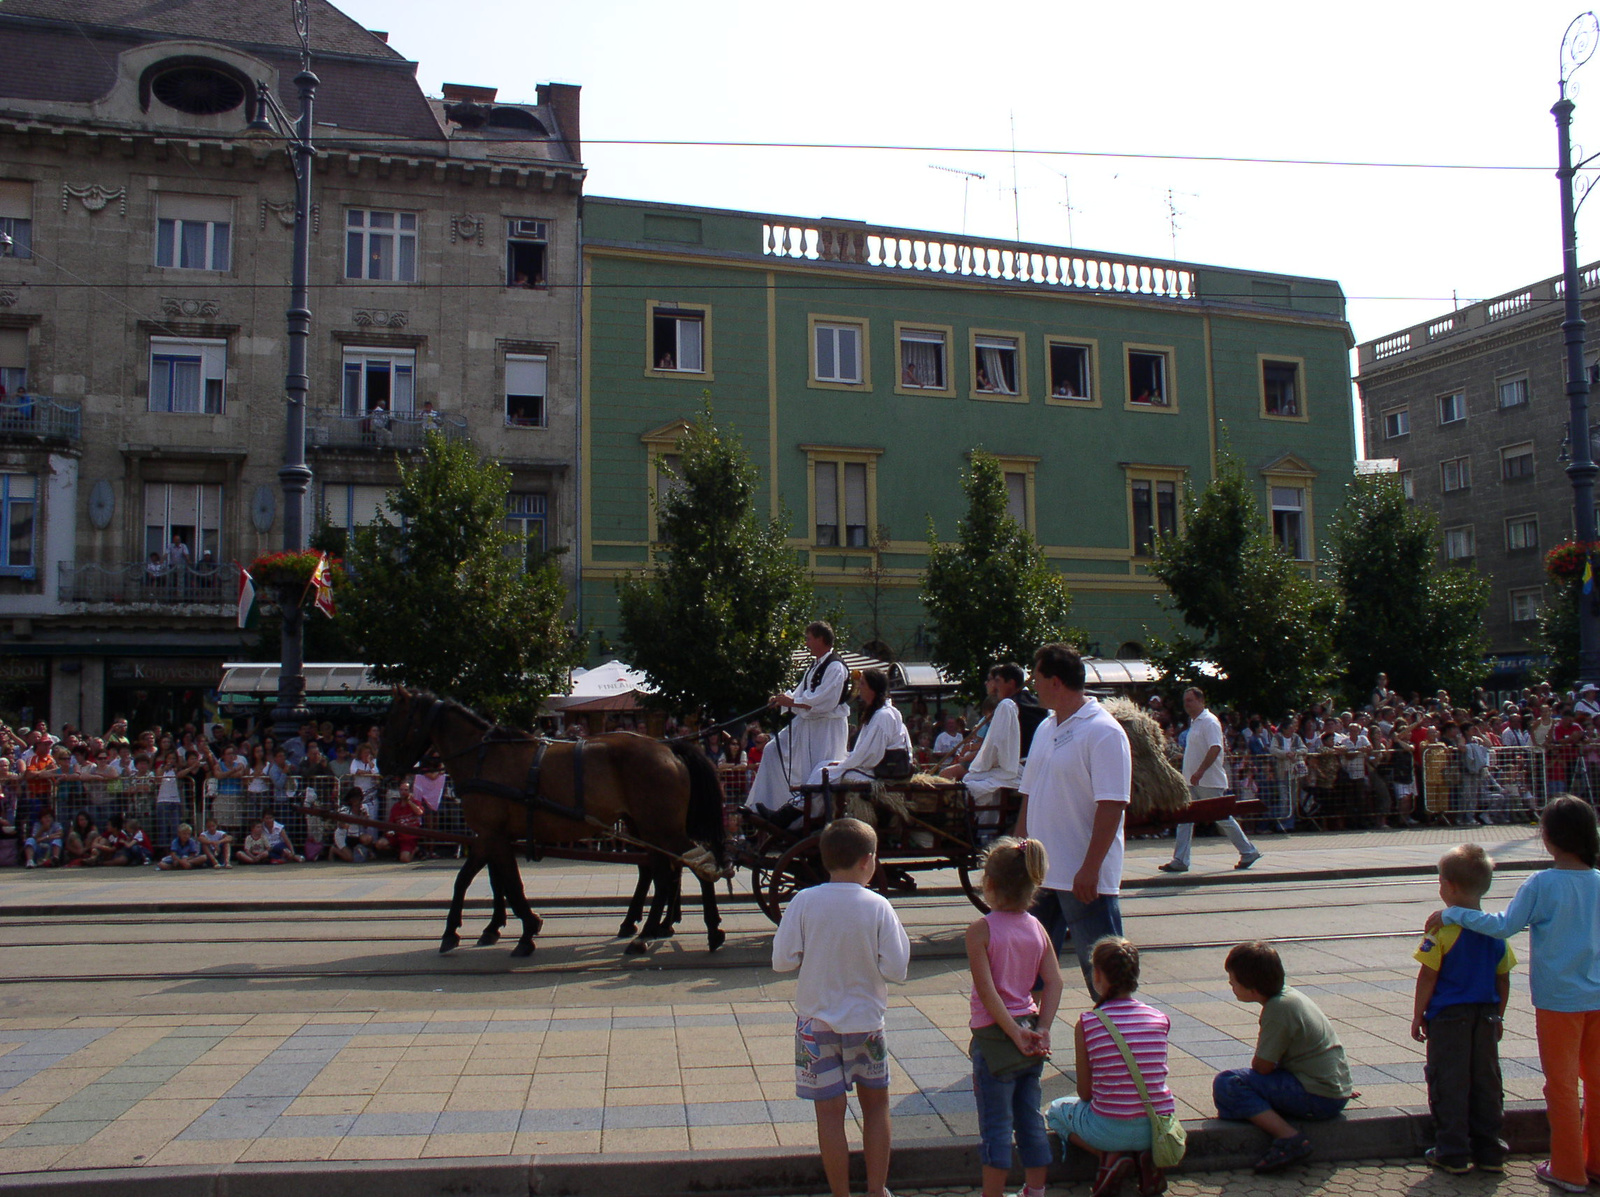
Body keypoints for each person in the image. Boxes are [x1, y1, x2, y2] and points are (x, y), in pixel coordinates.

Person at [1426, 795, 1600, 1192]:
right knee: (1598, 1082)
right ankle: (1596, 1161)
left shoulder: (1542, 883)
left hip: (1559, 1001)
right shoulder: (1598, 881)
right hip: (1598, 998)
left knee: (1560, 1084)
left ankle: (1568, 1169)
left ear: (1548, 837)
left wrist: (1455, 914)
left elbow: (1504, 926)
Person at [772, 818, 910, 1197]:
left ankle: (840, 1193)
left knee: (829, 1117)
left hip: (815, 1025)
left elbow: (782, 960)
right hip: (866, 1023)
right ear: (869, 861)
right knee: (876, 1108)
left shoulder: (803, 901)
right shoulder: (878, 905)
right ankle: (876, 1190)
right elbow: (897, 968)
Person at [1014, 643, 1133, 997]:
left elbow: (1112, 805)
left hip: (1083, 877)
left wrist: (1091, 867)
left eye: (1035, 678)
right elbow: (1029, 794)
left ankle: (1119, 1039)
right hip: (1042, 872)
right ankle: (1029, 1039)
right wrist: (1018, 850)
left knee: (1105, 972)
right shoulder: (1045, 728)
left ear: (1054, 681)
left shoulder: (1103, 732)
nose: (1031, 686)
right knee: (1029, 969)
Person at [965, 837, 1063, 1197]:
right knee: (1030, 1120)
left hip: (996, 1041)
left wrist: (1011, 1032)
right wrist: (1043, 1028)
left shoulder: (981, 930)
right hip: (1031, 1035)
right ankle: (1034, 1191)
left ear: (988, 884)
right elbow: (1054, 981)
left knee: (995, 1127)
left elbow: (987, 993)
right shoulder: (1037, 927)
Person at [1046, 937, 1177, 1197]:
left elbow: (1085, 1094)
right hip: (1157, 1129)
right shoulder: (1159, 1018)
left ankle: (1110, 1156)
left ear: (1097, 975)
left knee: (1054, 1111)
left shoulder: (1088, 1023)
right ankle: (1145, 1160)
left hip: (1108, 1131)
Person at [1411, 844, 1512, 1174]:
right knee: (1486, 1080)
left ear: (1449, 886)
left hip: (1447, 1018)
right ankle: (1489, 1150)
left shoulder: (1441, 929)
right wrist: (1500, 1015)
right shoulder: (1496, 933)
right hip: (1485, 1015)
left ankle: (1452, 1151)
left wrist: (1418, 1015)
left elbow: (1428, 975)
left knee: (1448, 1082)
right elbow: (1503, 979)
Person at [1212, 941, 1353, 1173]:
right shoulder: (1291, 995)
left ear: (1252, 989)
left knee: (1228, 1084)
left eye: (1233, 981)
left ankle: (1290, 1138)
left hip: (1319, 1098)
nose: (1230, 985)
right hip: (1332, 1088)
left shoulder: (1277, 1010)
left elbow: (1262, 1067)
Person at [746, 621, 850, 818]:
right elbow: (801, 692)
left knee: (818, 769)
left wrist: (792, 702)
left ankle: (807, 814)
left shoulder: (835, 666)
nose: (806, 643)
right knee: (772, 750)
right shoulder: (815, 665)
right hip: (809, 722)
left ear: (820, 639)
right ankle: (768, 804)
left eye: (809, 638)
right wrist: (782, 700)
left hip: (826, 726)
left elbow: (824, 700)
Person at [1160, 688, 1261, 873]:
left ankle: (1248, 851)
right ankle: (1180, 859)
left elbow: (1215, 748)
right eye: (1185, 701)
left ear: (1200, 700)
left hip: (1208, 781)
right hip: (1193, 781)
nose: (1186, 705)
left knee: (1222, 817)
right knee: (1185, 818)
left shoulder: (1209, 722)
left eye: (1189, 700)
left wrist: (1200, 771)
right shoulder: (1195, 723)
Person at [944, 664, 1029, 839]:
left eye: (997, 681)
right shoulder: (1035, 704)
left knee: (967, 779)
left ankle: (961, 824)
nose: (994, 686)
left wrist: (975, 760)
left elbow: (997, 748)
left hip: (1012, 767)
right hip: (1024, 766)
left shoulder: (1006, 707)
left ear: (1011, 683)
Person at [804, 669, 911, 791]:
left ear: (872, 688)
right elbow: (866, 753)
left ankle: (807, 807)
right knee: (822, 765)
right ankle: (806, 804)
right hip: (873, 768)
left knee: (823, 774)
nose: (859, 687)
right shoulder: (877, 713)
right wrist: (845, 762)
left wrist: (845, 765)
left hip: (882, 772)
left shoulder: (883, 715)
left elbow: (871, 756)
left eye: (862, 684)